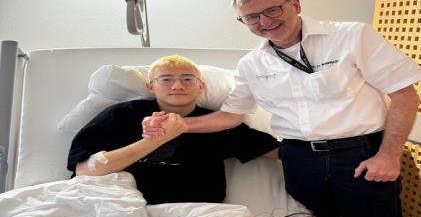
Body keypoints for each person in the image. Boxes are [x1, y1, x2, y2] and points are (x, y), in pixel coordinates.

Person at [143, 0, 421, 217]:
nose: (264, 22)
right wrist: (178, 126)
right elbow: (231, 116)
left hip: (360, 155)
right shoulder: (252, 64)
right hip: (299, 160)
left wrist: (389, 156)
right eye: (251, 17)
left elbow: (405, 95)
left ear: (295, 4)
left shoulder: (351, 36)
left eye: (272, 10)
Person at [67, 54, 279, 205]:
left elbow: (280, 152)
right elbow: (85, 170)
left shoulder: (217, 123)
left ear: (201, 86)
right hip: (118, 205)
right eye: (166, 79)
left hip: (195, 214)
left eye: (187, 79)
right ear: (150, 86)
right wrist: (157, 139)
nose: (177, 86)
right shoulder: (122, 116)